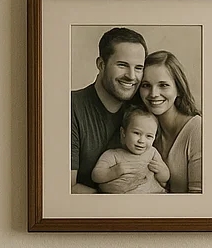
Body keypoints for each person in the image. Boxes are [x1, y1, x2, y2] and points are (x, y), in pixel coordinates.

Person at [71, 27, 148, 193]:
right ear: (101, 64)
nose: (132, 76)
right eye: (122, 65)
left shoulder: (142, 110)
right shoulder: (71, 107)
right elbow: (66, 187)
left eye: (139, 68)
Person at [138, 51, 202, 193]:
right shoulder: (140, 130)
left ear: (179, 89)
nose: (153, 94)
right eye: (146, 85)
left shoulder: (197, 129)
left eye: (163, 85)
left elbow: (200, 200)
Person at [90, 104, 170, 194]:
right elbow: (96, 176)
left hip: (153, 197)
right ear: (123, 133)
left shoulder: (152, 153)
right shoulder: (112, 155)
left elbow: (165, 178)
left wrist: (162, 171)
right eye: (136, 133)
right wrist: (114, 171)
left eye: (149, 136)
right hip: (124, 201)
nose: (142, 140)